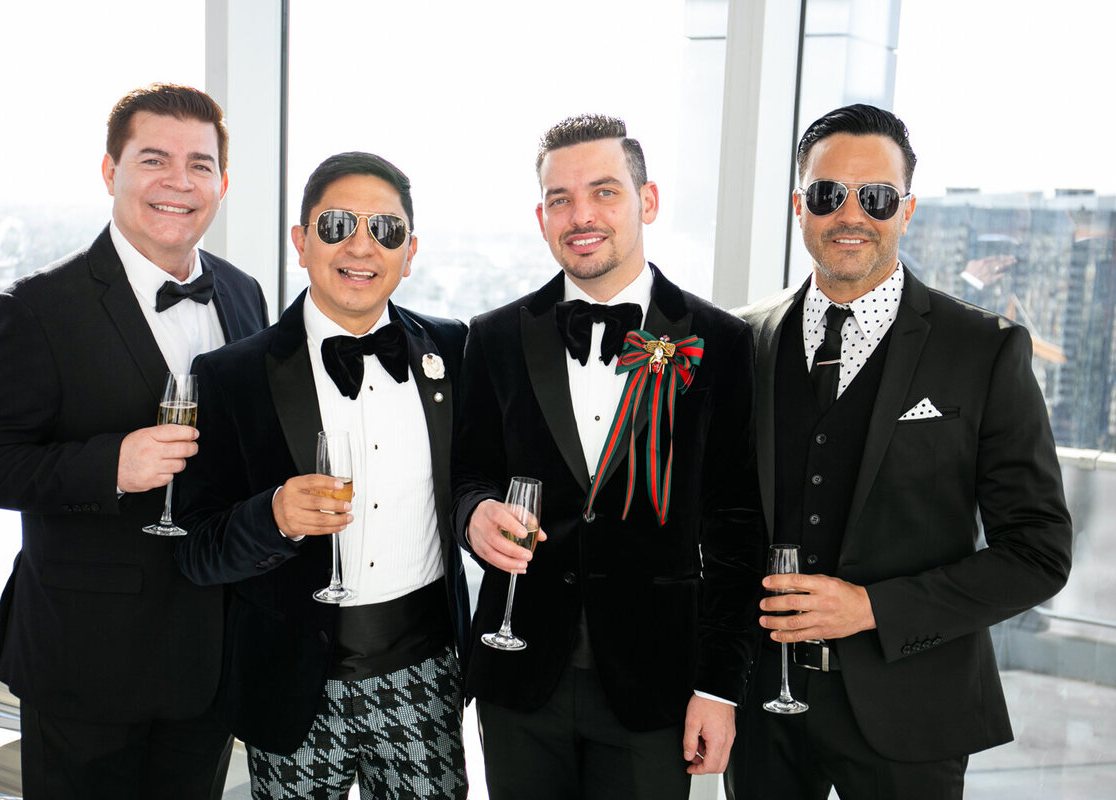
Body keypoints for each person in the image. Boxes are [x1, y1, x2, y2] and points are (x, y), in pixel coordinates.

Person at [726, 103, 1073, 799]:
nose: (851, 213)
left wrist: (875, 609)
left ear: (906, 211)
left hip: (914, 717)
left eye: (876, 197)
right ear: (800, 205)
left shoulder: (982, 351)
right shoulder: (744, 341)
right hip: (763, 711)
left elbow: (1038, 553)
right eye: (828, 194)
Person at [0, 83, 269, 799]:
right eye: (154, 159)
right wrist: (110, 466)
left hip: (210, 657)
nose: (179, 183)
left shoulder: (244, 294)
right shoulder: (36, 309)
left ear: (222, 182)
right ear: (109, 171)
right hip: (84, 659)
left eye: (200, 165)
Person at [452, 113, 765, 799]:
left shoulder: (720, 341)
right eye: (560, 199)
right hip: (518, 672)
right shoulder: (495, 336)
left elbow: (738, 531)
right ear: (541, 216)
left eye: (604, 192)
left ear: (646, 202)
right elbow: (468, 474)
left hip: (658, 683)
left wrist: (720, 685)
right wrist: (474, 514)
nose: (580, 215)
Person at [172, 151, 470, 800]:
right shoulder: (229, 377)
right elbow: (194, 549)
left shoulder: (453, 351)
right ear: (302, 241)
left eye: (385, 230)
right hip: (289, 683)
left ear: (409, 251)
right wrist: (271, 516)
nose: (362, 245)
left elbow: (477, 484)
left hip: (424, 676)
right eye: (337, 225)